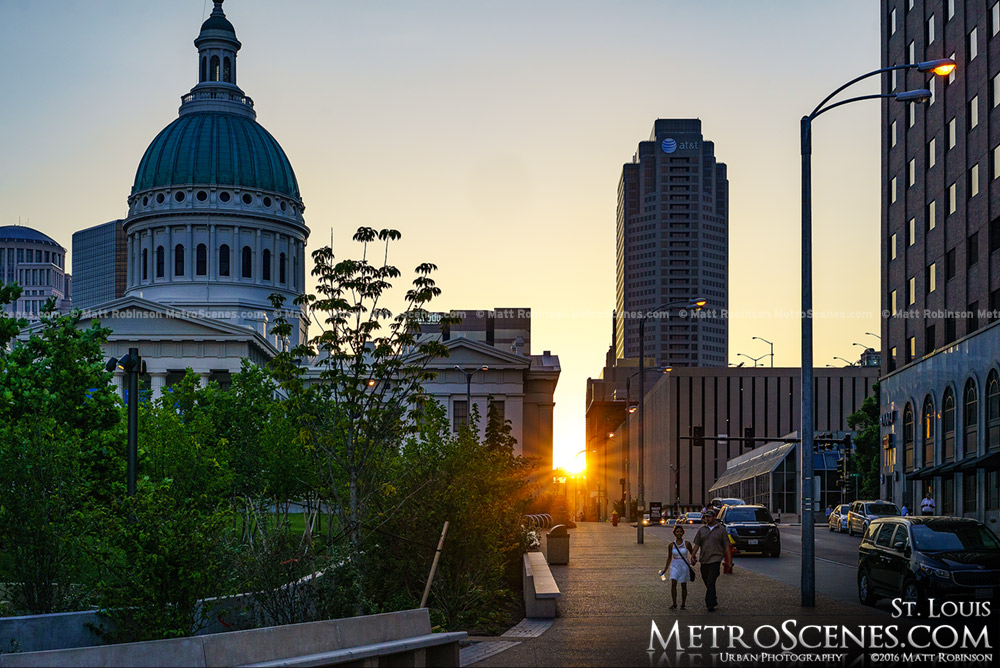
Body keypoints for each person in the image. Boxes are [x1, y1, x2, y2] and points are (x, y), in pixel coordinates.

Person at [691, 507, 731, 612]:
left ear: (714, 517)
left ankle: (709, 604)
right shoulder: (702, 530)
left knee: (711, 580)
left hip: (715, 559)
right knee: (706, 580)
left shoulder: (721, 530)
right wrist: (692, 555)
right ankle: (713, 599)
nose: (707, 519)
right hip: (704, 559)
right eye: (705, 517)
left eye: (709, 517)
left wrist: (729, 561)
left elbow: (727, 546)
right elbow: (697, 544)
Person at [661, 525, 694, 610]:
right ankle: (674, 603)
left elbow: (692, 554)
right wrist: (665, 569)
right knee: (673, 584)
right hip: (675, 564)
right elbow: (669, 557)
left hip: (684, 565)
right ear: (674, 533)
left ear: (683, 533)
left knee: (683, 585)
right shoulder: (671, 545)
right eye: (677, 532)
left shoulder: (687, 544)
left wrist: (693, 560)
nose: (679, 533)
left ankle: (683, 604)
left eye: (680, 532)